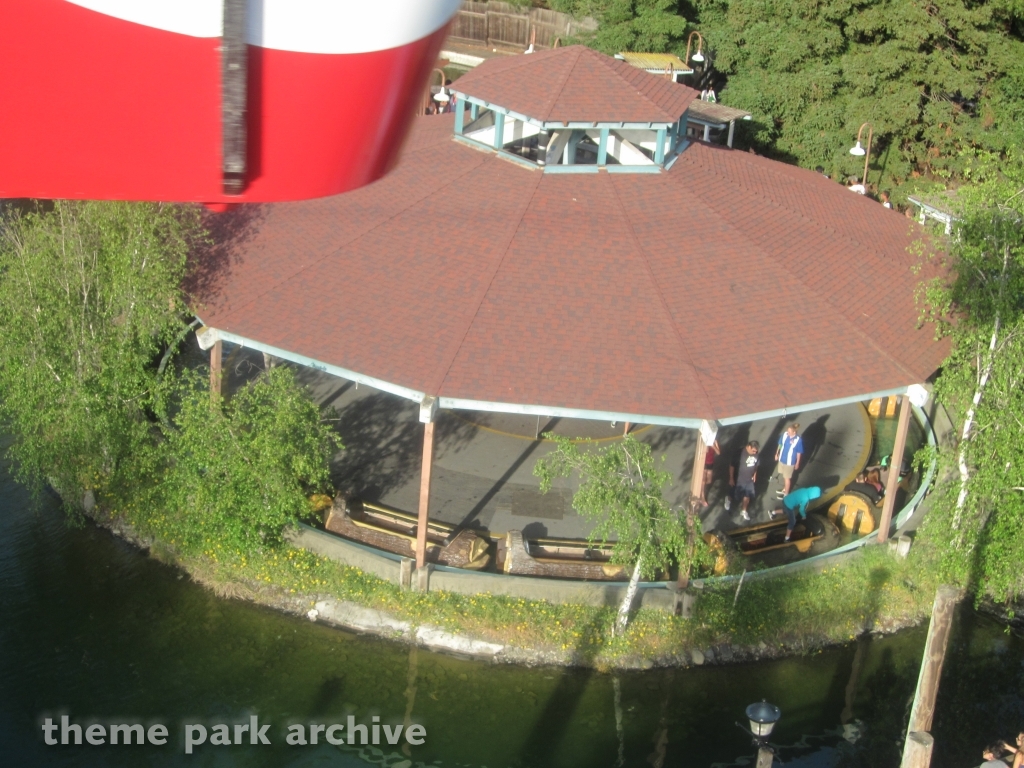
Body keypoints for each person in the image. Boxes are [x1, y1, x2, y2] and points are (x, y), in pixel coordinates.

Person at [726, 441, 760, 522]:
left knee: (747, 496)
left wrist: (755, 475)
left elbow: (756, 465)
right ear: (748, 447)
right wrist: (731, 478)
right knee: (734, 494)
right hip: (739, 479)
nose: (755, 452)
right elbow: (732, 466)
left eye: (756, 451)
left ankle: (744, 510)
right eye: (753, 451)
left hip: (749, 480)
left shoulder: (756, 454)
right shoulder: (739, 453)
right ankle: (728, 499)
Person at [775, 423, 803, 499]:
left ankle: (786, 495)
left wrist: (797, 463)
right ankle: (785, 489)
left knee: (787, 478)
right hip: (782, 458)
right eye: (787, 431)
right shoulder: (785, 435)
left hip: (790, 462)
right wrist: (777, 453)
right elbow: (780, 444)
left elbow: (799, 452)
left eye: (790, 432)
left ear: (794, 432)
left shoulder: (798, 440)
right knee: (784, 475)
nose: (788, 433)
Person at [702, 438, 721, 504]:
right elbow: (706, 451)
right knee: (704, 481)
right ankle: (702, 497)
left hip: (710, 463)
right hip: (704, 463)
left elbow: (718, 452)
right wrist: (708, 445)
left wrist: (714, 445)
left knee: (709, 481)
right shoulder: (705, 442)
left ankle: (701, 486)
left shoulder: (714, 442)